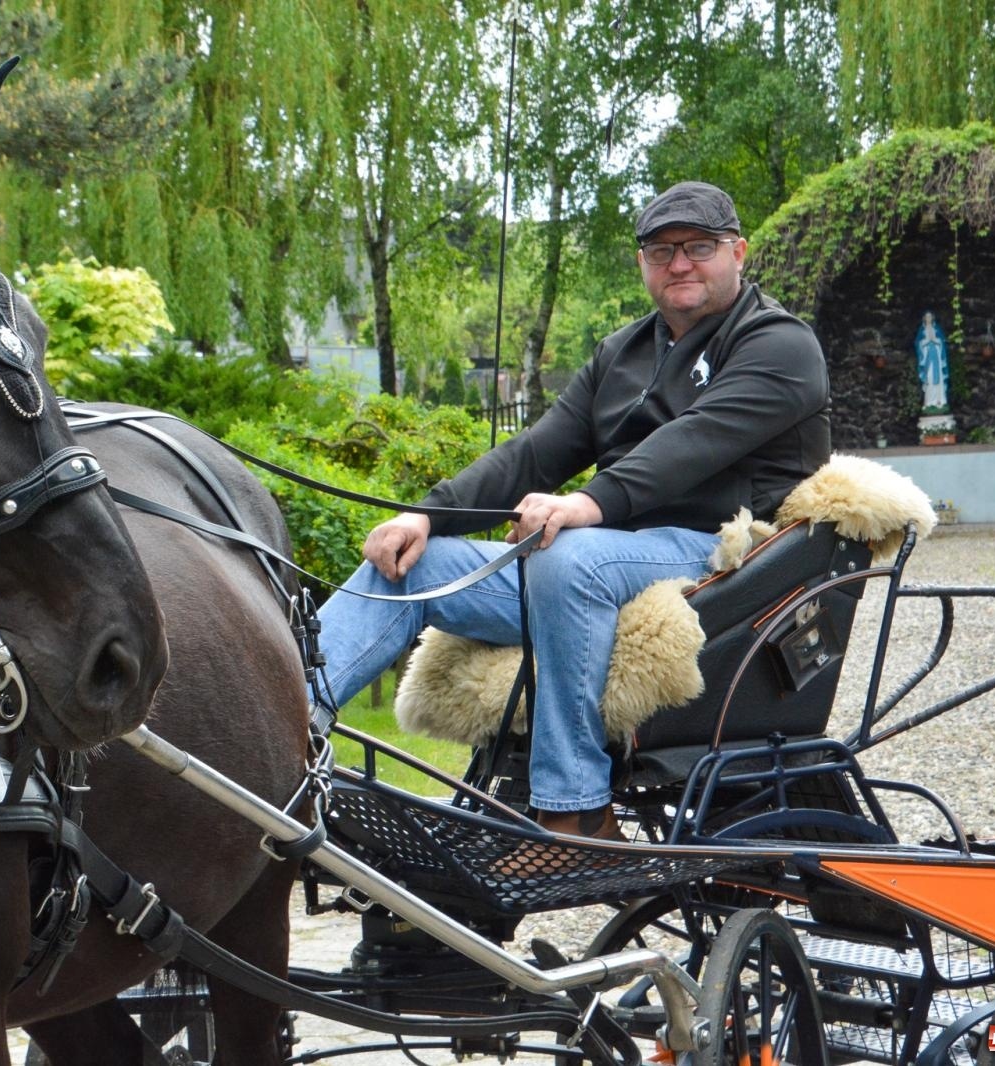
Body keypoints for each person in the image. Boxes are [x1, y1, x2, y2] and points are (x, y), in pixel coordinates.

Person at [312, 181, 831, 843]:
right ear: (643, 262)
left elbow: (694, 441)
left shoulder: (780, 345)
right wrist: (426, 516)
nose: (679, 263)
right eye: (661, 249)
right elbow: (534, 453)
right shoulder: (622, 354)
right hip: (595, 570)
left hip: (724, 558)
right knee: (411, 566)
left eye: (698, 247)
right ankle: (280, 730)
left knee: (568, 555)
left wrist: (588, 503)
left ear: (738, 252)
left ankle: (575, 814)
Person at [915, 311, 949, 412]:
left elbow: (942, 342)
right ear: (924, 318)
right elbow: (918, 344)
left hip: (937, 359)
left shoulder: (937, 329)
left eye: (930, 317)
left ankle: (940, 400)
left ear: (932, 318)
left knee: (939, 379)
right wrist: (925, 341)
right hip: (927, 359)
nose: (928, 319)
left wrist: (935, 340)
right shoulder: (922, 330)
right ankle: (929, 402)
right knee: (929, 378)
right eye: (927, 317)